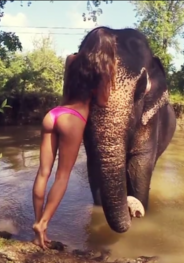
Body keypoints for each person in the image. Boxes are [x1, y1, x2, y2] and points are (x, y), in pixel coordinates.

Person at [31, 30, 117, 248]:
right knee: (62, 176)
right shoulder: (106, 67)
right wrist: (110, 78)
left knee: (43, 172)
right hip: (74, 119)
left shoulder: (71, 60)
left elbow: (65, 91)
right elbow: (103, 101)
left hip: (54, 114)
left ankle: (37, 225)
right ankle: (43, 224)